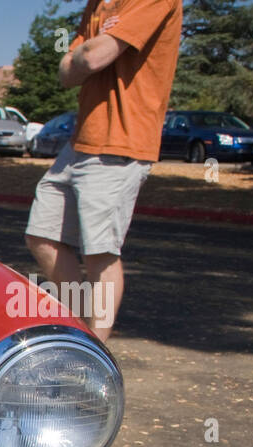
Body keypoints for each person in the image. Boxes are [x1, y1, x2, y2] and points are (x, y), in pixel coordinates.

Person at [24, 0, 181, 342]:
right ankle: (80, 333)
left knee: (100, 253)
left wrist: (87, 54)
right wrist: (89, 52)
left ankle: (96, 354)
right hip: (81, 141)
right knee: (42, 235)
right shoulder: (98, 4)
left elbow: (92, 57)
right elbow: (67, 72)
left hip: (120, 142)